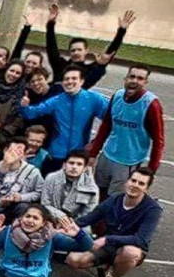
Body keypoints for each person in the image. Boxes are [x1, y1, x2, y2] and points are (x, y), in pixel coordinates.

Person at [67, 167, 162, 277]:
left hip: (129, 248)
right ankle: (105, 264)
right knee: (73, 259)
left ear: (146, 188)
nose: (135, 185)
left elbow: (141, 239)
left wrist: (107, 239)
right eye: (133, 180)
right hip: (108, 246)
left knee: (130, 253)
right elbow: (91, 217)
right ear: (126, 182)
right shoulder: (114, 199)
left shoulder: (153, 209)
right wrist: (67, 225)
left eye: (141, 183)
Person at [87, 65, 166, 198]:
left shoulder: (151, 104)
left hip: (128, 161)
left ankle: (108, 219)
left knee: (115, 200)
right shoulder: (117, 96)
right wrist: (93, 153)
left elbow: (159, 141)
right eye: (132, 76)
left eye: (140, 78)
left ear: (145, 82)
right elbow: (105, 126)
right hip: (108, 154)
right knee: (96, 192)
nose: (134, 81)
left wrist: (150, 171)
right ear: (126, 78)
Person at [20, 65, 108, 174]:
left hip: (78, 153)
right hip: (56, 153)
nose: (70, 82)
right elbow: (32, 113)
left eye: (74, 78)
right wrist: (25, 106)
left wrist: (94, 144)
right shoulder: (56, 100)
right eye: (66, 79)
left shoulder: (93, 99)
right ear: (62, 82)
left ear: (81, 81)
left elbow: (110, 119)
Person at [0, 138, 43, 221]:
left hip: (16, 208)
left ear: (23, 154)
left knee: (23, 206)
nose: (14, 155)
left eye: (19, 152)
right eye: (12, 151)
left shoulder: (33, 172)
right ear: (5, 150)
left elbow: (39, 192)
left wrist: (21, 197)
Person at [41, 149, 99, 224]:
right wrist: (59, 215)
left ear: (84, 168)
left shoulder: (92, 189)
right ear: (64, 165)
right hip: (50, 218)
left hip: (77, 224)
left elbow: (88, 214)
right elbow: (45, 203)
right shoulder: (51, 178)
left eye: (79, 164)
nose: (74, 167)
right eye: (71, 163)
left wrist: (70, 225)